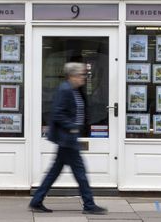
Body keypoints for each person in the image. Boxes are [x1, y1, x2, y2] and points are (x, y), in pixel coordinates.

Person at [29, 62, 108, 215]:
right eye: (80, 75)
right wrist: (71, 126)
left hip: (68, 138)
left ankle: (36, 201)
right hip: (67, 138)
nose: (83, 78)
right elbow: (57, 113)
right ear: (72, 76)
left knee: (55, 172)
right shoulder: (65, 90)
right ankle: (89, 204)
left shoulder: (74, 90)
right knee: (80, 173)